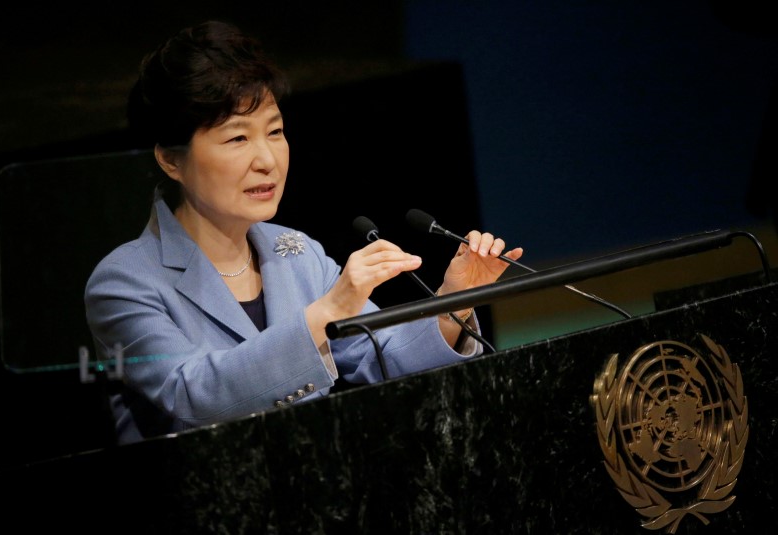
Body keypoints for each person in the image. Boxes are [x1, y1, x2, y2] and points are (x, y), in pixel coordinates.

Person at [84, 19, 523, 445]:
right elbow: (192, 394)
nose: (267, 159)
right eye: (237, 138)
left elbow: (381, 356)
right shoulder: (125, 281)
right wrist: (326, 312)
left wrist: (453, 302)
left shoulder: (295, 252)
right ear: (171, 160)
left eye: (274, 132)